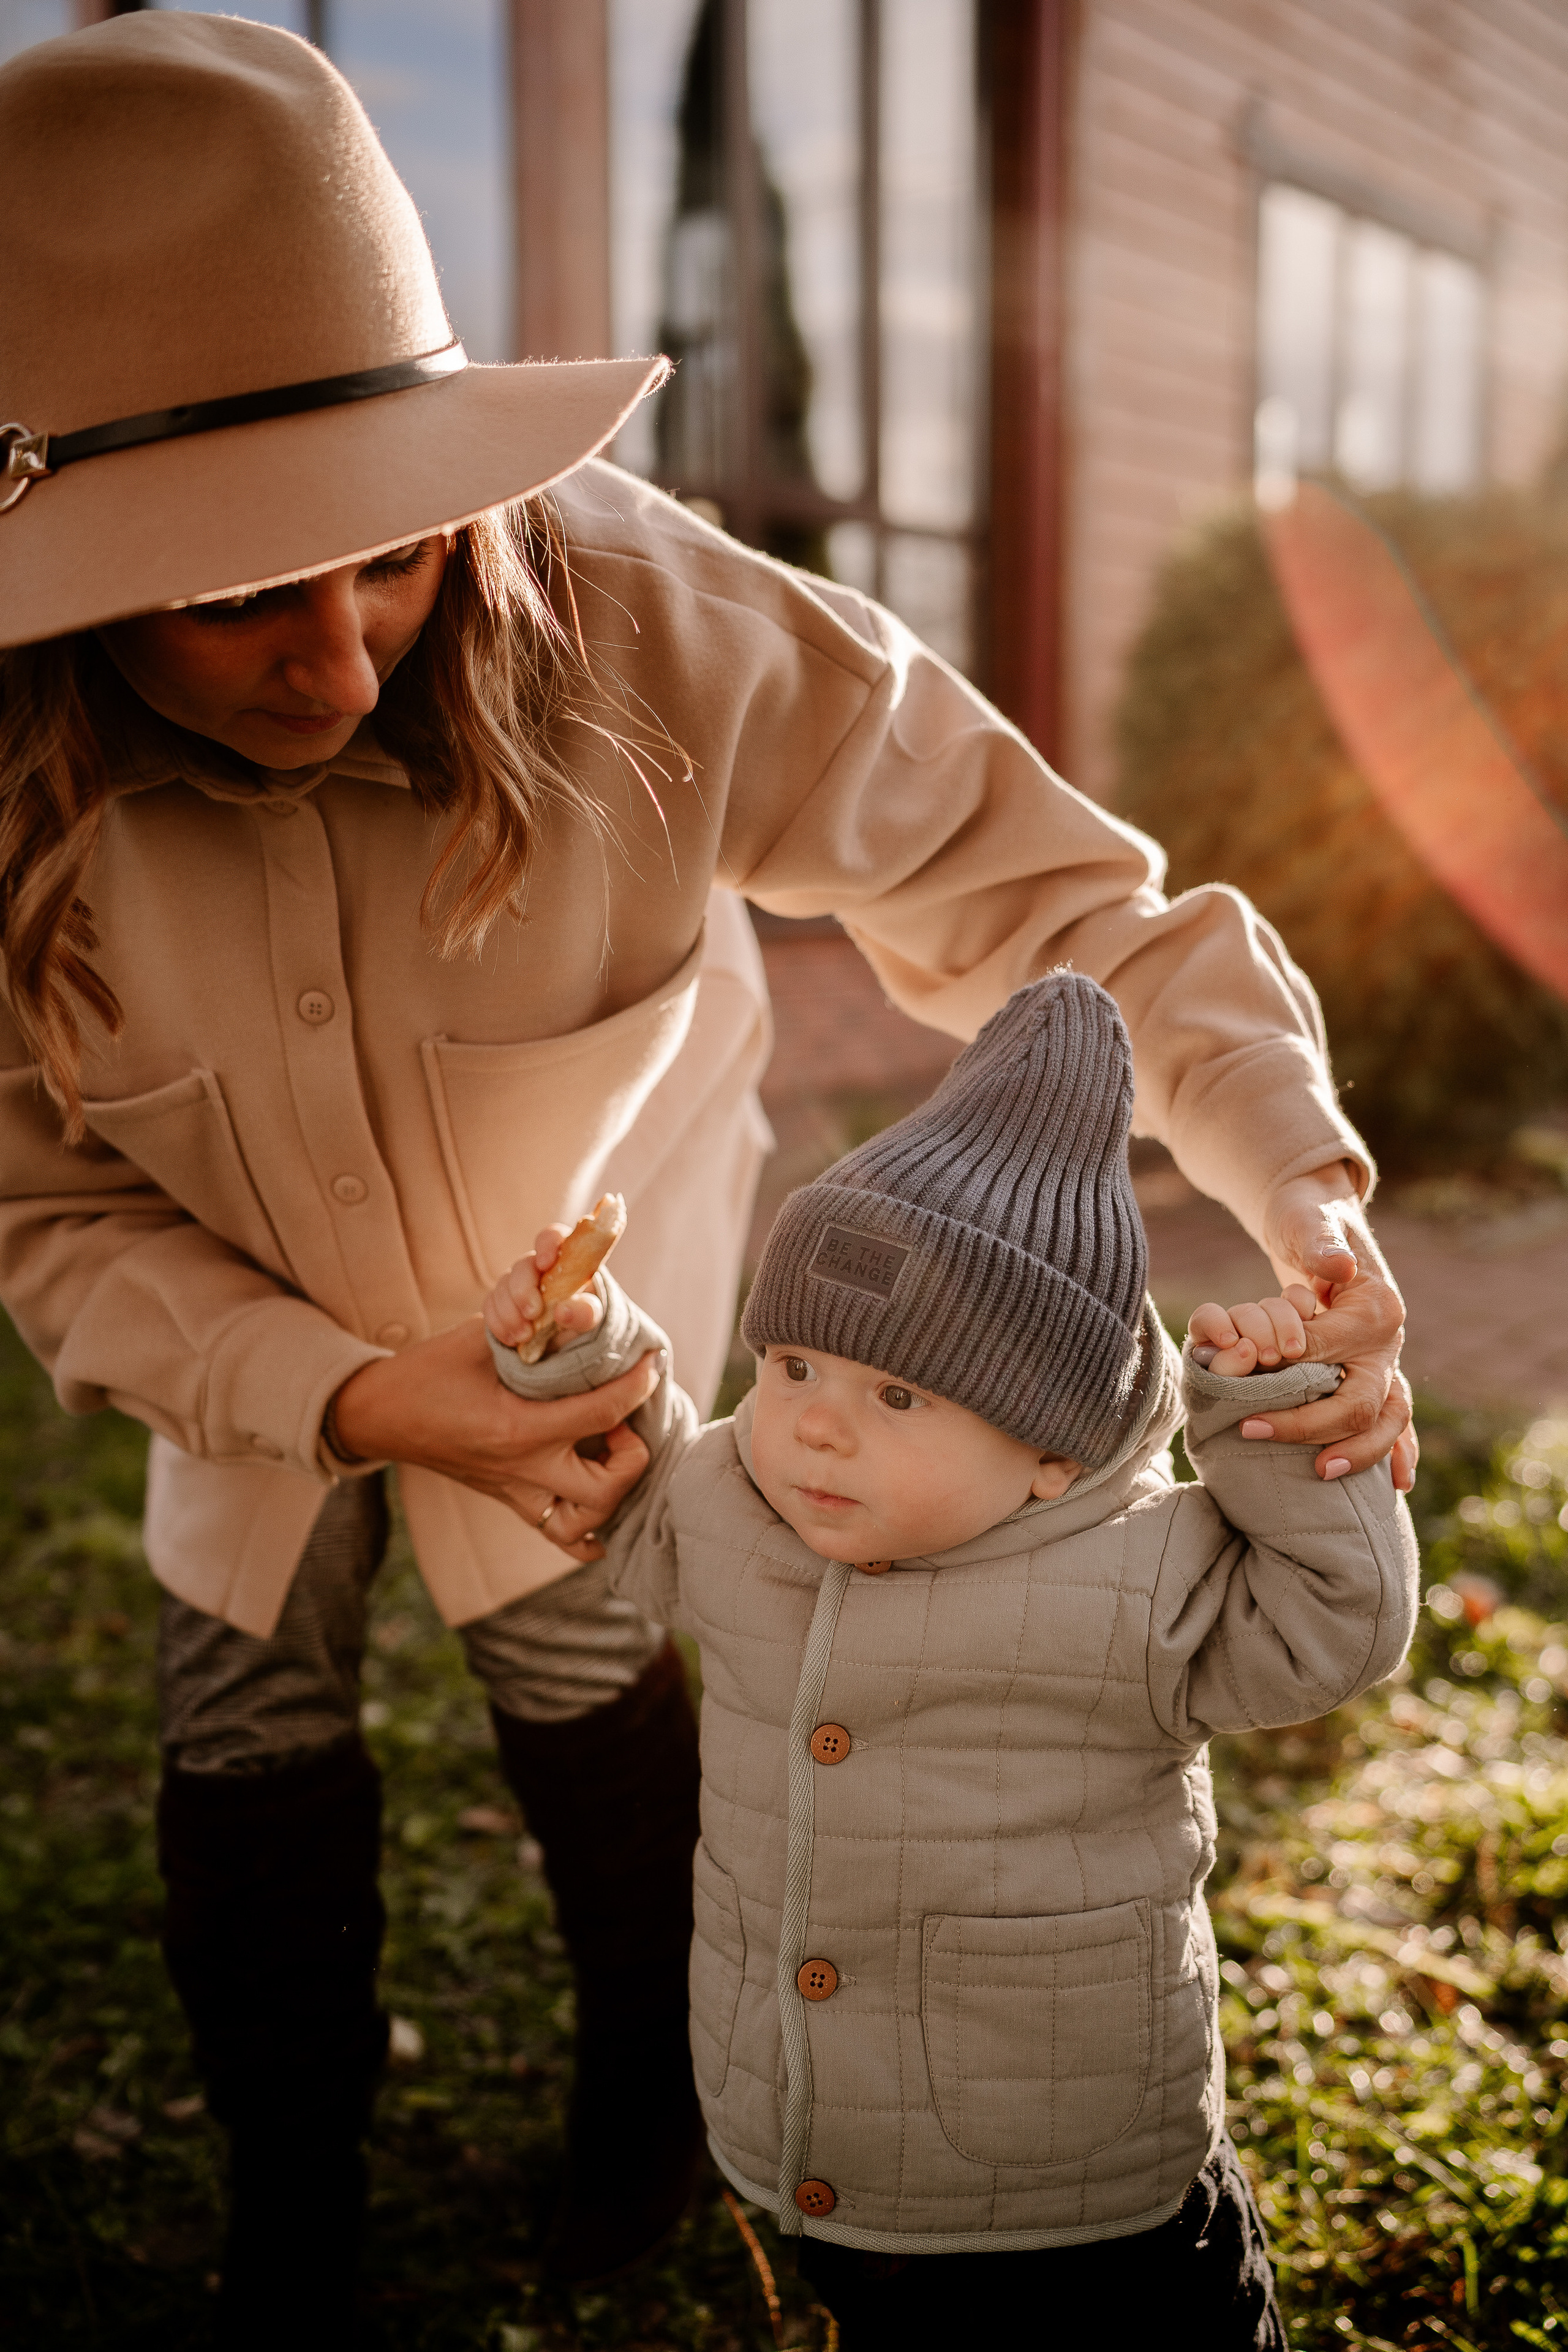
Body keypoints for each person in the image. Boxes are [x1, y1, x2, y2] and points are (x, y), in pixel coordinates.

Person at [0, 9, 1411, 2341]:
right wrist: (350, 1399)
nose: (341, 664)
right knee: (238, 1722)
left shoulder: (656, 617)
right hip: (245, 1369)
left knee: (600, 1693)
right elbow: (50, 1215)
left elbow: (1075, 913)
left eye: (394, 560)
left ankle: (649, 2110)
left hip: (592, 1373)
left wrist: (1299, 1183)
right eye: (237, 595)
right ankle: (289, 2190)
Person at [484, 974, 1420, 2352]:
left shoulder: (1141, 1575)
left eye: (898, 1396)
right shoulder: (739, 1510)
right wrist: (575, 1353)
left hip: (1082, 2210)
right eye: (794, 1364)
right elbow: (628, 1485)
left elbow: (1336, 1625)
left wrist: (1273, 1428)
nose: (811, 1428)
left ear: (1050, 1453)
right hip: (822, 2144)